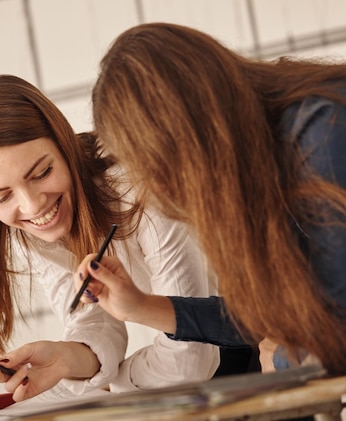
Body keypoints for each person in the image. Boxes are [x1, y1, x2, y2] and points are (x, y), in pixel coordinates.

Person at [0, 74, 223, 402]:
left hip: (261, 346)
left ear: (63, 144)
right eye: (1, 198)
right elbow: (95, 321)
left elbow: (191, 361)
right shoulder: (33, 231)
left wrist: (111, 385)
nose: (32, 205)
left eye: (42, 173)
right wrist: (64, 358)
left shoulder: (140, 189)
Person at [74, 22, 346, 374]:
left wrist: (282, 358)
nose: (160, 185)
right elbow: (264, 320)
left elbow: (334, 334)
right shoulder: (259, 165)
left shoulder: (320, 130)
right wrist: (138, 306)